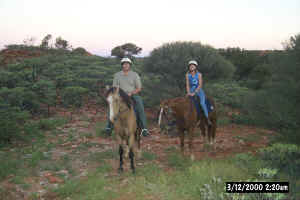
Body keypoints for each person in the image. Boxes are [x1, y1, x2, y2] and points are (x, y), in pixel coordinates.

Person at [104, 58, 149, 136]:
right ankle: (109, 127)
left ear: (130, 65)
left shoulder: (135, 75)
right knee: (112, 106)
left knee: (140, 105)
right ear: (122, 65)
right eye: (124, 64)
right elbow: (115, 87)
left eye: (127, 64)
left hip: (132, 94)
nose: (126, 65)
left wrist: (131, 93)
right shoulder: (117, 75)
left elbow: (138, 88)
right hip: (120, 94)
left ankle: (144, 129)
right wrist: (117, 94)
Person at [186, 60, 212, 125]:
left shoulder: (199, 74)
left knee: (202, 103)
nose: (191, 67)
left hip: (199, 90)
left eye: (193, 66)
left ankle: (207, 118)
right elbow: (187, 85)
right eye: (190, 66)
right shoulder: (187, 75)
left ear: (195, 67)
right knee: (185, 102)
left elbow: (200, 84)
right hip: (191, 90)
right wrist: (188, 92)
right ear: (189, 67)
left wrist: (194, 93)